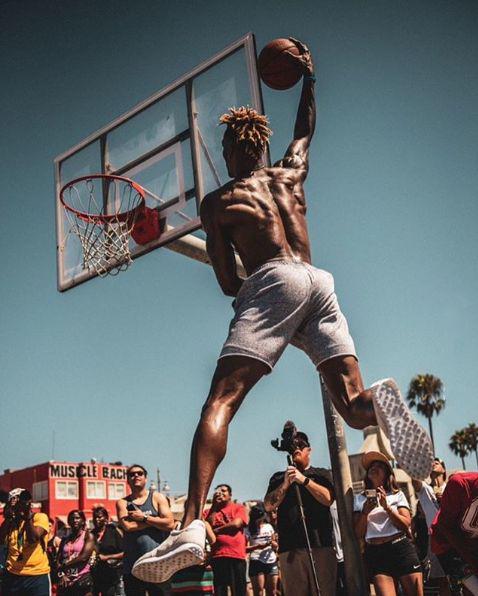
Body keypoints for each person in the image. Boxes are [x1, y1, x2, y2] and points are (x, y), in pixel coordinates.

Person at [132, 38, 433, 584]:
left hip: (272, 281)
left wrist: (251, 291)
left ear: (230, 149)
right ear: (262, 145)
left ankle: (192, 523)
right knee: (353, 406)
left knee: (220, 401)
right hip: (321, 281)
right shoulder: (290, 173)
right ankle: (383, 402)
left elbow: (229, 283)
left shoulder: (220, 202)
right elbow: (304, 131)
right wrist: (309, 80)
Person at [264, 431, 336, 596]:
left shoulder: (321, 474)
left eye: (301, 444)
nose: (296, 447)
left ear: (308, 450)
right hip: (290, 548)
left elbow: (328, 499)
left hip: (320, 544)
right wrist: (285, 484)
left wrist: (304, 480)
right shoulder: (278, 478)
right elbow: (268, 505)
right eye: (292, 445)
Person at [354, 451, 423, 596]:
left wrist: (388, 508)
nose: (374, 468)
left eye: (379, 466)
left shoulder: (397, 494)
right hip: (376, 552)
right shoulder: (359, 499)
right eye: (371, 466)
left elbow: (406, 524)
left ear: (387, 474)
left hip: (400, 548)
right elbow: (358, 533)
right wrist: (365, 512)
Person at [117, 464, 174, 595]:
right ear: (127, 480)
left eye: (139, 473)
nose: (136, 476)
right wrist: (156, 521)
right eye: (132, 474)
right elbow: (128, 526)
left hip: (157, 564)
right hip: (133, 566)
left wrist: (143, 518)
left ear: (146, 478)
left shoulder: (157, 497)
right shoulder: (123, 502)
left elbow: (170, 524)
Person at [431, 472, 478, 595]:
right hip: (447, 544)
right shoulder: (460, 484)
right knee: (473, 588)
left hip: (471, 543)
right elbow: (446, 527)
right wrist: (472, 562)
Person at [0, 488, 51, 596]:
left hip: (37, 576)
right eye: (15, 499)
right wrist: (8, 518)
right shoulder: (11, 522)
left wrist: (27, 516)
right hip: (13, 575)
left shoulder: (39, 517)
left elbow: (33, 538)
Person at [203, 484, 248, 596]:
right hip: (217, 556)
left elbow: (237, 524)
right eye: (218, 491)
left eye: (223, 491)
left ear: (230, 495)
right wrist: (214, 506)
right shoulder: (209, 511)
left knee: (238, 590)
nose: (220, 493)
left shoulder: (238, 508)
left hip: (236, 555)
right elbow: (208, 525)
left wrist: (216, 530)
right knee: (219, 591)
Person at [56, 510, 95, 595]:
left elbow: (84, 557)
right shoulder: (65, 539)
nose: (74, 520)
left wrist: (65, 565)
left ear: (83, 521)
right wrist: (61, 574)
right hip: (66, 580)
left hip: (82, 579)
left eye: (77, 518)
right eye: (72, 518)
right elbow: (58, 559)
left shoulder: (88, 536)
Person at [245, 504, 278, 596]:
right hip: (256, 560)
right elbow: (245, 548)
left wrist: (274, 545)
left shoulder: (269, 526)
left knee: (272, 591)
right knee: (259, 592)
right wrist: (257, 547)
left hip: (271, 560)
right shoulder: (247, 530)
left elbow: (274, 543)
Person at [90, 506, 124, 596]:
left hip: (112, 574)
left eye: (99, 517)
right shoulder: (91, 534)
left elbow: (125, 553)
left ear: (106, 518)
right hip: (94, 575)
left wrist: (107, 557)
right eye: (95, 517)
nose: (96, 520)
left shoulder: (113, 532)